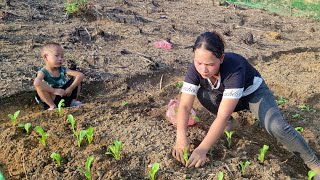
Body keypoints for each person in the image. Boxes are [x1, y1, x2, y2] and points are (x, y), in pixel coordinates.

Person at [171, 31, 320, 176]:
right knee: (202, 93)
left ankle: (315, 165)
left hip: (253, 94)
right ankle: (231, 125)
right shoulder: (195, 70)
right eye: (199, 63)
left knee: (276, 126)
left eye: (210, 64)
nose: (203, 69)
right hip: (226, 95)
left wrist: (202, 149)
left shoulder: (234, 67)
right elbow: (184, 106)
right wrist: (181, 138)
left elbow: (222, 116)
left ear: (221, 58)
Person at [34, 42, 85, 110]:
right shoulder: (43, 72)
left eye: (62, 56)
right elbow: (36, 82)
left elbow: (80, 75)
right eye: (56, 55)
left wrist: (70, 88)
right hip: (53, 97)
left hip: (65, 94)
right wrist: (54, 91)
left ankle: (72, 101)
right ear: (45, 57)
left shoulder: (62, 69)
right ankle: (52, 106)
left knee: (77, 78)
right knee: (39, 86)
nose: (60, 59)